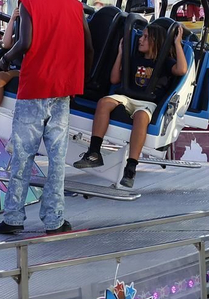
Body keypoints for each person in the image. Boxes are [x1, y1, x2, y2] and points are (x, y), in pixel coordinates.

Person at [0, 0, 90, 236]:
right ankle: (54, 220)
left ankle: (13, 218)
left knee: (23, 156)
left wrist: (5, 58)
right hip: (62, 92)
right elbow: (88, 45)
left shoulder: (29, 4)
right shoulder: (75, 7)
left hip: (33, 89)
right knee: (57, 159)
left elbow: (24, 43)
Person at [74, 19, 189, 189]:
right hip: (127, 97)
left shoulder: (165, 62)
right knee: (104, 102)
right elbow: (115, 79)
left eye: (145, 37)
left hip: (147, 103)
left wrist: (177, 43)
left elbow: (182, 70)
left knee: (142, 117)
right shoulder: (135, 59)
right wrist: (121, 54)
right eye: (141, 36)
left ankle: (131, 167)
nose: (140, 40)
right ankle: (94, 152)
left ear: (155, 41)